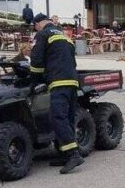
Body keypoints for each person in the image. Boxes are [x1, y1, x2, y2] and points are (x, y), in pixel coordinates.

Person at [29, 13, 84, 174]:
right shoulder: (64, 35)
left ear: (38, 24)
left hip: (58, 82)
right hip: (72, 81)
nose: (35, 28)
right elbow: (71, 60)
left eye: (35, 26)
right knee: (68, 118)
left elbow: (37, 60)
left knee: (57, 118)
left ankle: (73, 155)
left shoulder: (43, 34)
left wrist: (34, 80)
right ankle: (64, 154)